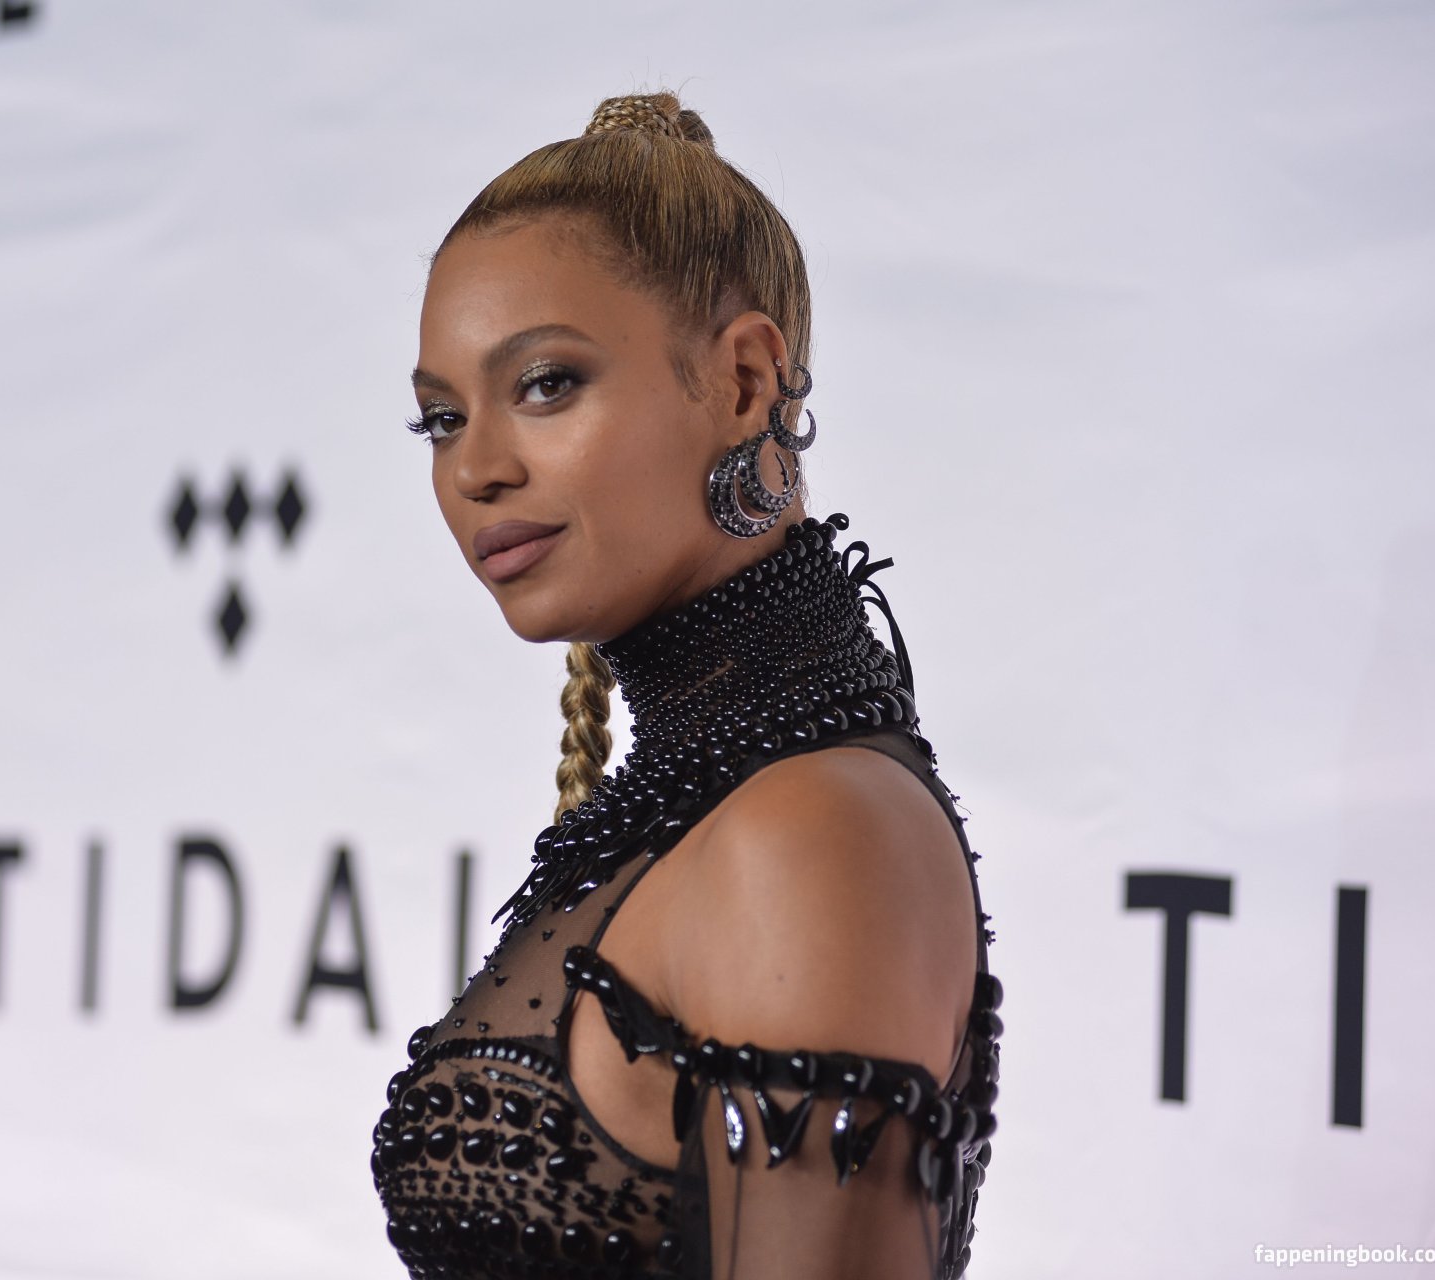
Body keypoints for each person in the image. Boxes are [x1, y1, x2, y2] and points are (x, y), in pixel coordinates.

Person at [371, 89, 1004, 1280]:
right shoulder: (711, 803)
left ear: (747, 381)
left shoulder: (809, 830)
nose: (475, 468)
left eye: (545, 383)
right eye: (440, 419)